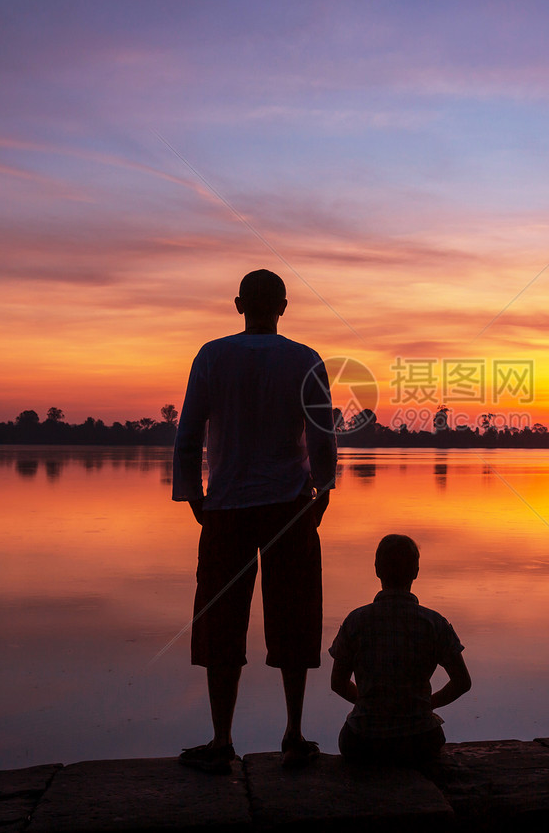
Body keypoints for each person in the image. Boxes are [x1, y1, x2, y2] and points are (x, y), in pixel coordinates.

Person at [172, 269, 337, 773]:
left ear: (239, 303)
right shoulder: (304, 359)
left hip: (226, 508)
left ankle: (222, 738)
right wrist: (323, 492)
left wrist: (193, 496)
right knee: (295, 615)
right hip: (289, 505)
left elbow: (189, 433)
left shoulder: (211, 355)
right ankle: (294, 733)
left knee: (221, 622)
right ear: (283, 307)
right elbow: (322, 435)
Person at [329, 534, 471, 765]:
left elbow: (337, 683)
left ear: (377, 570)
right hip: (419, 740)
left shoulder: (355, 621)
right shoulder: (434, 623)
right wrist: (425, 704)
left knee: (351, 737)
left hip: (363, 742)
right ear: (416, 571)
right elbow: (462, 682)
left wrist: (370, 703)